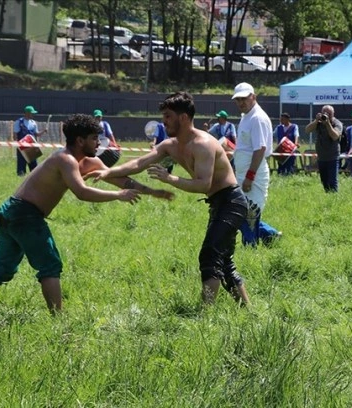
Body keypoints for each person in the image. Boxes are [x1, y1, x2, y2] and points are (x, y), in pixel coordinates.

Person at [0, 114, 173, 318]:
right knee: (50, 265)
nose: (98, 142)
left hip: (11, 212)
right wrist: (118, 196)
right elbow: (82, 192)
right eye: (94, 138)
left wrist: (153, 192)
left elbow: (123, 180)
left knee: (0, 268)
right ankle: (58, 320)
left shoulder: (88, 162)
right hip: (24, 215)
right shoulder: (64, 159)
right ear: (80, 140)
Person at [91, 92, 251, 305]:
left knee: (210, 255)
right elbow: (140, 163)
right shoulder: (170, 145)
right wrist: (108, 173)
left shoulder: (203, 144)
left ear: (183, 118)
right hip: (218, 202)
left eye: (168, 116)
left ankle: (206, 313)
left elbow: (204, 184)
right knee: (224, 260)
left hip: (232, 201)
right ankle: (247, 311)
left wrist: (170, 178)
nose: (163, 122)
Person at [231, 82, 281, 246]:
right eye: (238, 100)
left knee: (249, 215)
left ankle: (250, 251)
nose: (240, 103)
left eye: (244, 99)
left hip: (253, 175)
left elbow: (260, 150)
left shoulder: (257, 118)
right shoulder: (247, 116)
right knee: (242, 214)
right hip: (243, 175)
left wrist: (249, 177)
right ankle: (271, 235)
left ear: (253, 97)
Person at [305, 105, 343, 192]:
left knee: (332, 181)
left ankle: (334, 198)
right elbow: (307, 130)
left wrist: (328, 124)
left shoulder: (337, 123)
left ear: (333, 114)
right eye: (324, 113)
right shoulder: (319, 122)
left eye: (329, 113)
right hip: (321, 157)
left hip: (333, 157)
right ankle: (327, 197)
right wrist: (316, 121)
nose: (326, 115)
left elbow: (335, 136)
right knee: (324, 181)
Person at [14, 105, 47, 176]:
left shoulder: (33, 123)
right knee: (21, 167)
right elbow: (15, 135)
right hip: (22, 148)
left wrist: (43, 131)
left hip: (32, 148)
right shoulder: (19, 122)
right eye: (32, 113)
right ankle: (21, 177)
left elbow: (37, 134)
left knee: (34, 168)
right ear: (27, 113)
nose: (33, 114)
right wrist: (17, 144)